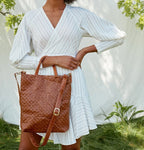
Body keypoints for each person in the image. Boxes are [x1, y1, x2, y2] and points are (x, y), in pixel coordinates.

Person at [9, 0, 127, 149]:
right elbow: (16, 59)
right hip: (42, 87)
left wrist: (84, 51)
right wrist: (54, 60)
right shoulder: (31, 18)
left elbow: (118, 36)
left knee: (71, 147)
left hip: (72, 85)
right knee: (27, 147)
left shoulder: (79, 15)